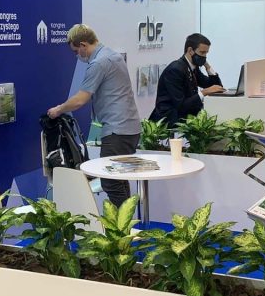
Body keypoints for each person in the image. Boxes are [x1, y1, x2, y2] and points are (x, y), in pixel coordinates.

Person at [47, 24, 140, 207]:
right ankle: (125, 219)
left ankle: (122, 221)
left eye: (76, 51)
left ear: (83, 44)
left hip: (117, 131)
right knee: (119, 179)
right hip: (130, 129)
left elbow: (80, 99)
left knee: (110, 182)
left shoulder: (98, 63)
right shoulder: (113, 55)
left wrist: (58, 110)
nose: (77, 55)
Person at [149, 33, 224, 127]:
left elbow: (216, 87)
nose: (204, 57)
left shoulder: (193, 67)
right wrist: (204, 92)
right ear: (190, 50)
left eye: (206, 53)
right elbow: (181, 105)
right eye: (202, 53)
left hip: (185, 118)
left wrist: (208, 67)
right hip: (169, 121)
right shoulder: (175, 70)